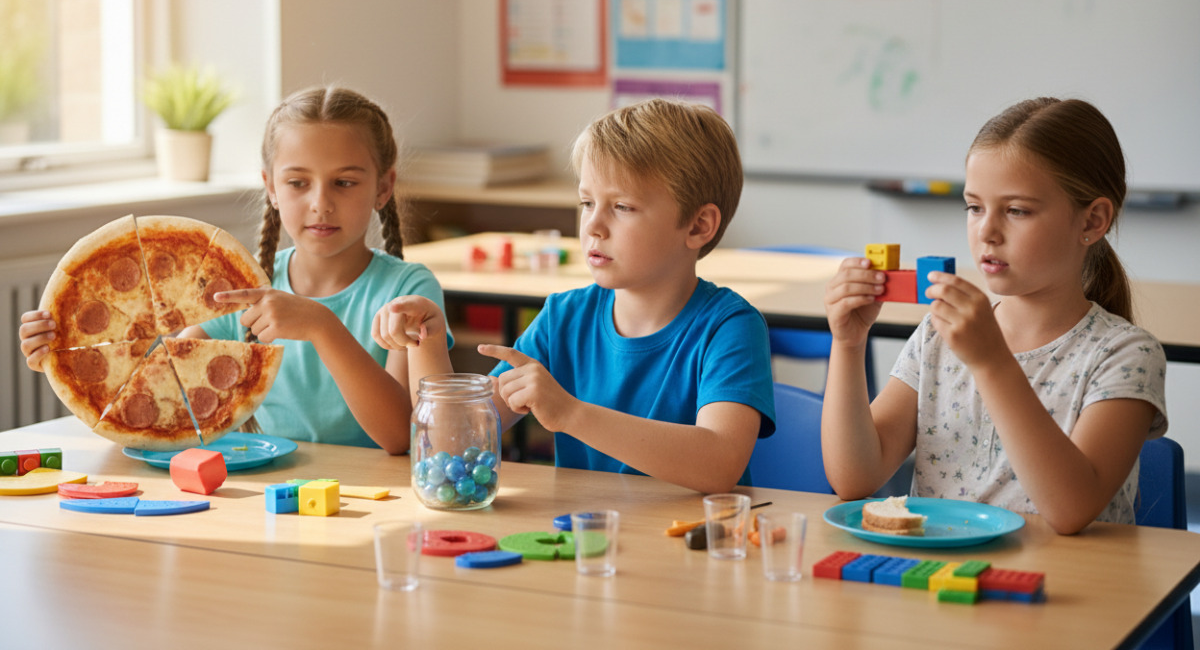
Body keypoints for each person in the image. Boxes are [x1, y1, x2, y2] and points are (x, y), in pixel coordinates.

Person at [20, 85, 453, 452]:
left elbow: (402, 436)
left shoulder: (408, 290)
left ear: (384, 187)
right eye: (298, 183)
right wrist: (70, 356)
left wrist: (322, 326)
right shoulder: (239, 291)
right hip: (269, 500)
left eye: (344, 182)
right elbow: (159, 398)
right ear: (271, 188)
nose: (320, 202)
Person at [375, 98, 776, 493]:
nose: (593, 227)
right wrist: (426, 337)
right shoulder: (563, 318)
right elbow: (451, 446)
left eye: (622, 206)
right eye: (587, 203)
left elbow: (719, 463)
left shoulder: (730, 327)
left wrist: (570, 413)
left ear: (698, 226)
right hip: (584, 542)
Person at [821, 97, 1167, 534]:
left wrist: (990, 361)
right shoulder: (939, 332)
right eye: (974, 207)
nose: (986, 231)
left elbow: (1071, 509)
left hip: (1068, 591)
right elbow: (855, 477)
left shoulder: (1126, 355)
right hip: (941, 584)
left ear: (1092, 221)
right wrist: (848, 345)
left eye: (1017, 210)